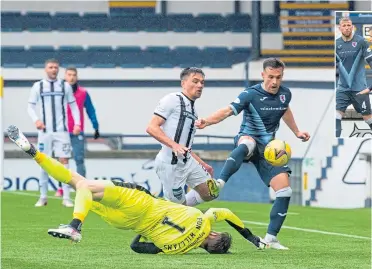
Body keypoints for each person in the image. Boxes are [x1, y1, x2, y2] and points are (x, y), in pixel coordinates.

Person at [7, 125, 267, 255]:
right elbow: (136, 247)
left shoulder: (203, 220)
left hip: (140, 202)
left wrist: (250, 237)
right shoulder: (174, 249)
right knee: (78, 184)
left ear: (214, 236)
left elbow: (225, 211)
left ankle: (74, 225)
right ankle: (34, 152)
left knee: (81, 184)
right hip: (125, 222)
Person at [195, 58, 310, 250]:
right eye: (271, 77)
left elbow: (285, 111)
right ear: (263, 75)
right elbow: (227, 111)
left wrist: (297, 132)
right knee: (247, 144)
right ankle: (219, 183)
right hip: (248, 138)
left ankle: (271, 238)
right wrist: (207, 121)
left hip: (270, 150)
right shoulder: (250, 94)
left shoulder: (285, 94)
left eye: (279, 77)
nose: (274, 81)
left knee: (285, 191)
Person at [146, 67, 220, 207]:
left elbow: (185, 145)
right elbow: (151, 127)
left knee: (211, 192)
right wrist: (174, 145)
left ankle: (180, 208)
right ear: (183, 83)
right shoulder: (172, 99)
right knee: (179, 209)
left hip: (188, 162)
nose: (200, 85)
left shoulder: (193, 111)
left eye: (202, 82)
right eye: (195, 81)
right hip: (170, 165)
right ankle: (173, 212)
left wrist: (202, 164)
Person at [27, 58, 81, 207]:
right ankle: (43, 197)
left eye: (56, 67)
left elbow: (74, 106)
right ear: (45, 69)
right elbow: (30, 107)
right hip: (44, 132)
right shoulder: (38, 86)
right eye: (51, 67)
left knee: (64, 162)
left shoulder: (65, 86)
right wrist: (36, 120)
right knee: (43, 163)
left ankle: (66, 198)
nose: (53, 70)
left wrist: (77, 123)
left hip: (61, 132)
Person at [54, 67, 100, 197]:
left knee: (79, 159)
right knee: (62, 160)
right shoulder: (58, 91)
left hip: (76, 132)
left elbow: (91, 110)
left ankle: (82, 187)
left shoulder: (83, 93)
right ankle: (61, 188)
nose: (72, 77)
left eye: (74, 75)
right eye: (69, 75)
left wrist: (96, 127)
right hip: (61, 131)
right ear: (65, 76)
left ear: (77, 77)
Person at [335, 17, 372, 137]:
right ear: (339, 28)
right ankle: (336, 142)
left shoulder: (361, 42)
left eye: (349, 25)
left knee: (368, 119)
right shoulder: (336, 44)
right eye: (344, 25)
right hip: (343, 90)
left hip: (360, 90)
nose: (346, 28)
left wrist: (370, 88)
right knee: (336, 117)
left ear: (352, 27)